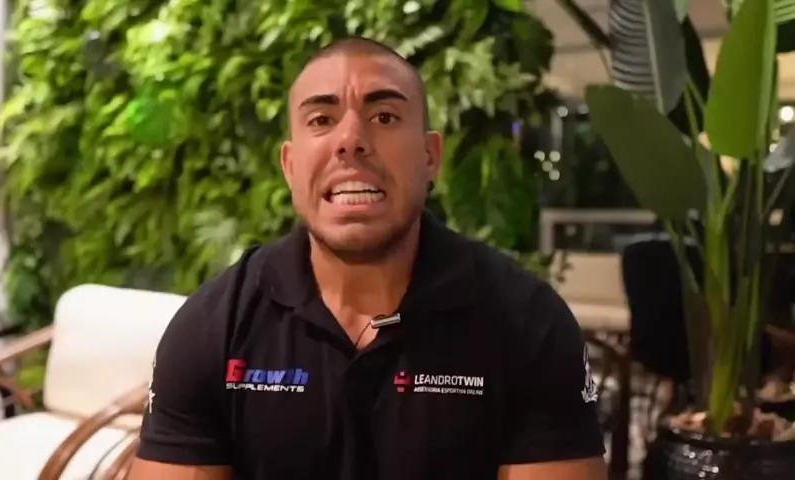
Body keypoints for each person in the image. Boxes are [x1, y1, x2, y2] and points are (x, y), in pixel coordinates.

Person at [129, 36, 607, 480]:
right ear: (290, 166)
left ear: (430, 156)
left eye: (384, 117)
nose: (350, 139)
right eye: (321, 120)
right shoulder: (215, 326)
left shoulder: (528, 323)